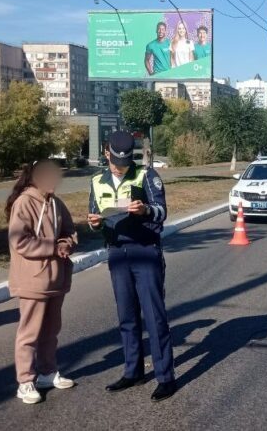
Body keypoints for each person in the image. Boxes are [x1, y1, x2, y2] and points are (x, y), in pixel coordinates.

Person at [87, 131, 177, 401]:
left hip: (145, 251)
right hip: (117, 253)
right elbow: (94, 212)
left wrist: (146, 210)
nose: (120, 166)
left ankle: (165, 377)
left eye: (124, 161)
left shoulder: (146, 176)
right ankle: (133, 370)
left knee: (154, 315)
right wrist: (93, 223)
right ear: (106, 153)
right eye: (115, 161)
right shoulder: (96, 180)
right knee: (126, 317)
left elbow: (162, 212)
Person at [5, 159, 78, 404]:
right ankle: (25, 382)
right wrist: (52, 248)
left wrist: (67, 244)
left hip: (56, 280)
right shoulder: (24, 202)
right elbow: (20, 241)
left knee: (51, 330)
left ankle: (47, 372)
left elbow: (70, 231)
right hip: (32, 280)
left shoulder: (56, 203)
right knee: (30, 333)